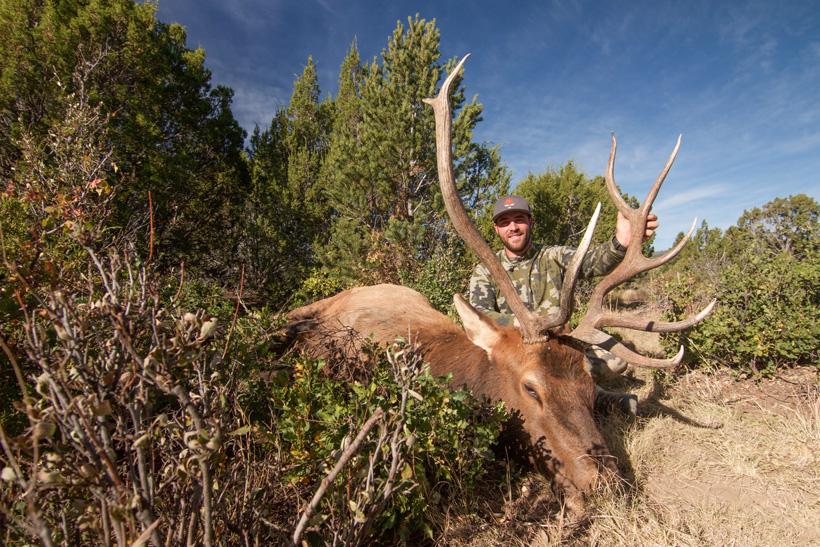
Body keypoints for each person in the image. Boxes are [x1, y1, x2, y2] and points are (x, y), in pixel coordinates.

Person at [468, 194, 659, 415]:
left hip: (560, 347)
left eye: (519, 219)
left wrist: (621, 242)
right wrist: (519, 322)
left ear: (531, 222)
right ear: (496, 229)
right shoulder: (485, 270)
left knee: (615, 362)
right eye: (504, 222)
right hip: (516, 352)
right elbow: (478, 312)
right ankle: (600, 400)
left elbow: (593, 263)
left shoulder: (554, 256)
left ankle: (587, 397)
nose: (513, 227)